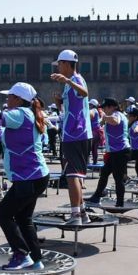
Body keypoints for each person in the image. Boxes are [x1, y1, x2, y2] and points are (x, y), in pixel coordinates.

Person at [0, 82, 50, 270]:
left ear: (18, 99)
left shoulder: (19, 113)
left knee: (2, 214)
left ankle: (21, 254)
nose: (7, 99)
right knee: (24, 219)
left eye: (9, 96)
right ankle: (37, 259)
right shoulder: (27, 114)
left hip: (29, 178)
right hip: (34, 176)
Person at [51, 49, 91, 225]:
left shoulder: (75, 79)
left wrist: (67, 80)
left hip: (76, 134)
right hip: (74, 133)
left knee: (72, 175)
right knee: (76, 174)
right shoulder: (69, 84)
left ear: (66, 64)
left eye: (59, 64)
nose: (58, 67)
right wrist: (59, 102)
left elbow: (84, 93)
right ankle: (82, 213)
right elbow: (70, 108)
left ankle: (75, 216)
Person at [86, 98, 129, 206]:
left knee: (117, 178)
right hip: (114, 151)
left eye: (105, 107)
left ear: (113, 107)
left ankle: (120, 203)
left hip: (120, 151)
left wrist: (104, 118)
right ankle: (96, 196)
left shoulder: (117, 114)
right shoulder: (114, 115)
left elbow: (115, 121)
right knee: (104, 173)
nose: (104, 110)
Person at [89, 99, 103, 164]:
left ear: (92, 105)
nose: (89, 105)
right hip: (97, 131)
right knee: (94, 149)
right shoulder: (96, 111)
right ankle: (95, 162)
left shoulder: (93, 110)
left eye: (90, 104)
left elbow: (90, 115)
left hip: (94, 131)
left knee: (90, 148)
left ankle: (87, 163)